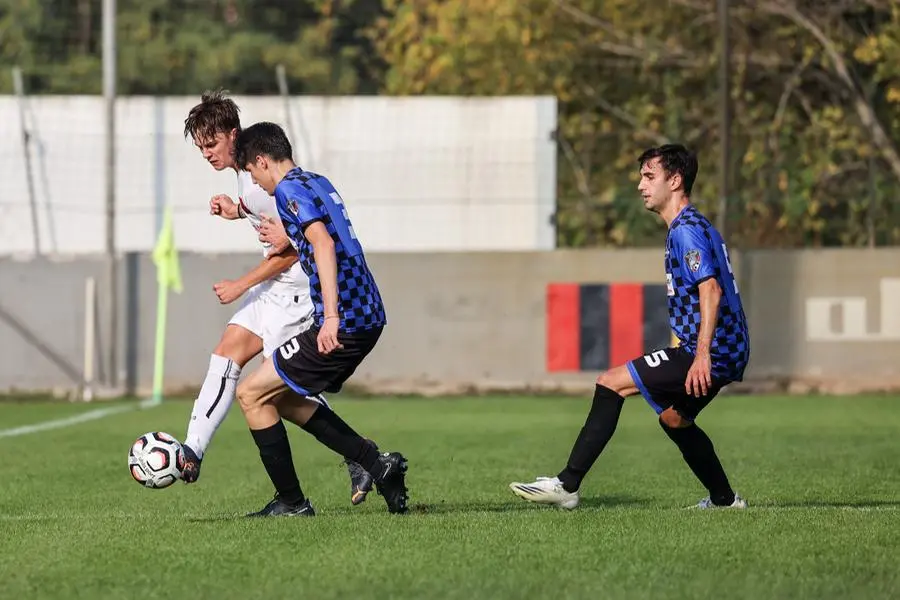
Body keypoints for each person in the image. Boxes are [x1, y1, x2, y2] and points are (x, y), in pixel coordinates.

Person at [510, 144, 750, 509]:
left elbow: (711, 288)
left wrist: (702, 355)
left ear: (675, 180)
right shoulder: (696, 226)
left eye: (649, 176)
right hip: (727, 349)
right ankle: (724, 500)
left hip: (711, 351)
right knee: (674, 419)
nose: (641, 185)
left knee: (611, 383)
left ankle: (567, 485)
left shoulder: (686, 231)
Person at [180, 90, 373, 506]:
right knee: (228, 352)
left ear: (234, 135)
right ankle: (191, 450)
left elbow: (290, 252)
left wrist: (240, 285)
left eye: (211, 144)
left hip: (297, 295)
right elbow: (270, 219)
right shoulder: (247, 178)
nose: (207, 154)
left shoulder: (268, 180)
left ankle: (359, 456)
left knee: (278, 394)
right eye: (201, 147)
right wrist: (236, 211)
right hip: (274, 293)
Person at [231, 121, 409, 517]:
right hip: (367, 313)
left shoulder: (289, 191)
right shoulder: (316, 181)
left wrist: (329, 317)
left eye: (253, 174)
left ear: (262, 161)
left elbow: (324, 244)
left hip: (343, 319)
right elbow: (324, 235)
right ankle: (378, 466)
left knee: (251, 394)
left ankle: (292, 503)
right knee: (285, 397)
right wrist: (288, 237)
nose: (257, 184)